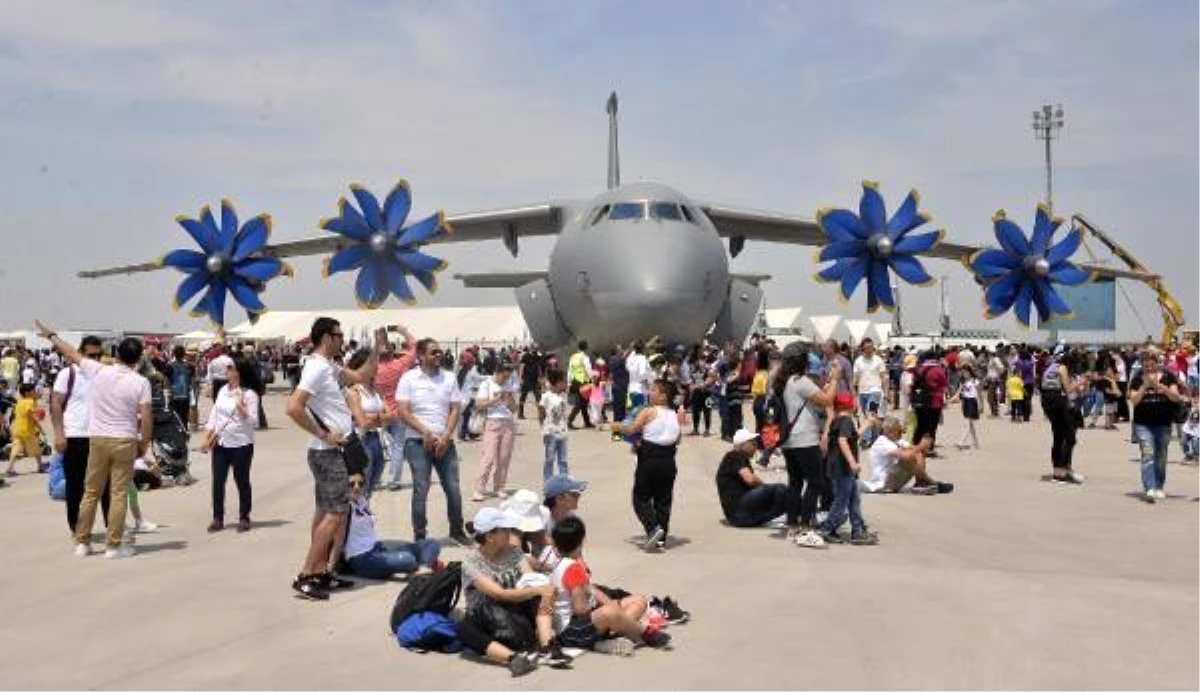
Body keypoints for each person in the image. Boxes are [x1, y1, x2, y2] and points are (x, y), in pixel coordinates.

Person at [285, 317, 385, 600]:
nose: (342, 339)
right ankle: (306, 574)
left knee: (324, 513)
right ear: (326, 337)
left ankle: (320, 573)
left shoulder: (329, 366)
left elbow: (362, 377)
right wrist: (324, 433)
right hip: (328, 452)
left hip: (329, 452)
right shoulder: (316, 368)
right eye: (339, 334)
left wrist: (376, 350)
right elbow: (293, 407)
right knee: (335, 515)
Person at [37, 321, 152, 560]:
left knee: (90, 491)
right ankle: (113, 546)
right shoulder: (141, 382)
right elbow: (147, 417)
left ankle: (82, 542)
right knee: (118, 493)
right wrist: (144, 444)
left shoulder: (99, 371)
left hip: (98, 439)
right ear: (138, 359)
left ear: (116, 354)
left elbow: (69, 352)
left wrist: (51, 335)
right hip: (124, 440)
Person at [455, 507, 569, 677]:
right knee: (464, 629)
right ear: (489, 536)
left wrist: (543, 591)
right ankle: (513, 659)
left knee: (540, 591)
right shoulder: (470, 563)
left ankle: (547, 646)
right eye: (505, 529)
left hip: (516, 612)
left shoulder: (514, 551)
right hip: (486, 618)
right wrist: (537, 589)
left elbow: (530, 579)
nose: (510, 532)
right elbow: (498, 594)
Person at [550, 516, 672, 653]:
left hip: (580, 624)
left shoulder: (560, 564)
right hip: (572, 630)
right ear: (580, 542)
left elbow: (592, 590)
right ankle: (645, 632)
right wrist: (603, 608)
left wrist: (610, 604)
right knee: (610, 612)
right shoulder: (572, 568)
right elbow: (580, 609)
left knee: (638, 600)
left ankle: (611, 635)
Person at [397, 338, 468, 545]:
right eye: (433, 352)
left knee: (453, 487)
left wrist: (446, 435)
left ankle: (457, 530)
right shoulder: (409, 378)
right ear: (420, 356)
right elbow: (403, 411)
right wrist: (425, 431)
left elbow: (455, 408)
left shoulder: (449, 378)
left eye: (439, 352)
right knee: (421, 488)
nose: (439, 355)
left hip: (445, 442)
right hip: (417, 442)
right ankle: (420, 535)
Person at [776, 343, 838, 549]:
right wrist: (836, 378)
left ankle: (793, 525)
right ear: (802, 361)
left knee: (795, 482)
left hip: (788, 440)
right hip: (805, 438)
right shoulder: (800, 381)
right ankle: (805, 526)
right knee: (815, 482)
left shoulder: (782, 381)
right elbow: (827, 400)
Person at [50, 335, 111, 533]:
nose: (95, 358)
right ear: (81, 353)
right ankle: (77, 526)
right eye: (91, 354)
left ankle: (112, 526)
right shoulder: (68, 374)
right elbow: (56, 404)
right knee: (75, 486)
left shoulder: (102, 373)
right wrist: (59, 434)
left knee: (106, 485)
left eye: (98, 354)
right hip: (74, 435)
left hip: (100, 436)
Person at [612, 380, 682, 551]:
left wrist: (616, 426)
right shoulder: (674, 414)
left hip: (649, 459)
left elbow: (632, 429)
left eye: (653, 390)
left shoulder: (648, 411)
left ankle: (653, 528)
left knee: (640, 498)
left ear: (663, 396)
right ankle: (661, 539)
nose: (650, 393)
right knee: (663, 501)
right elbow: (677, 439)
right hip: (668, 461)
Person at [342, 474, 441, 579]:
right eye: (351, 484)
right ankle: (424, 564)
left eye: (360, 484)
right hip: (361, 559)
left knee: (431, 543)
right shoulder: (344, 507)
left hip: (378, 550)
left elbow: (376, 470)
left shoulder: (362, 502)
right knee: (408, 559)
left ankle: (424, 567)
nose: (356, 487)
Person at [200, 358, 259, 532]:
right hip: (221, 443)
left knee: (241, 480)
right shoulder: (222, 391)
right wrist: (206, 437)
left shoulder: (250, 394)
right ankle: (217, 518)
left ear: (238, 372)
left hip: (242, 444)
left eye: (230, 368)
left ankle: (244, 516)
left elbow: (254, 422)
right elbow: (214, 416)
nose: (226, 370)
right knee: (218, 481)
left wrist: (241, 407)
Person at [816, 393, 877, 545]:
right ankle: (827, 528)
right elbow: (843, 440)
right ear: (849, 405)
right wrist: (852, 462)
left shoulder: (836, 421)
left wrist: (868, 423)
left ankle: (858, 529)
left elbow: (853, 437)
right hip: (842, 468)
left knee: (853, 499)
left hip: (838, 467)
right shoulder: (846, 420)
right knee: (842, 500)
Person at [1129, 347, 1183, 503]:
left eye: (1152, 365)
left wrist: (1161, 387)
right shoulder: (1137, 379)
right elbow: (1134, 400)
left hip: (1163, 424)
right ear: (1142, 366)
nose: (1149, 368)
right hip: (1143, 424)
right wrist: (1145, 386)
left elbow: (1176, 397)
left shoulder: (1167, 377)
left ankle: (1159, 486)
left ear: (1157, 364)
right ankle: (1150, 488)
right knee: (1147, 455)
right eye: (1146, 366)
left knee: (1161, 457)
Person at [715, 429, 787, 528]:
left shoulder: (738, 458)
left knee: (783, 502)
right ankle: (803, 512)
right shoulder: (735, 455)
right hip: (739, 511)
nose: (756, 447)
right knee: (779, 489)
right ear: (742, 445)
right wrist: (767, 489)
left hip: (741, 518)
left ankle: (801, 513)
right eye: (753, 444)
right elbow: (750, 479)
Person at [863, 417, 952, 495]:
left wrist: (925, 446)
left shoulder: (897, 440)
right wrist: (921, 446)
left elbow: (915, 450)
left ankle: (921, 482)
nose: (901, 433)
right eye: (899, 431)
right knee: (911, 456)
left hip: (893, 478)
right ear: (889, 432)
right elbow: (906, 456)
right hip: (883, 482)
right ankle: (930, 482)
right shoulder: (882, 442)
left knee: (917, 453)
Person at [375, 327, 415, 492]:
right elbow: (414, 346)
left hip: (379, 411)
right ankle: (394, 481)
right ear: (393, 352)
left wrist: (378, 341)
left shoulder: (374, 368)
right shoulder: (399, 365)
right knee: (398, 447)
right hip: (398, 411)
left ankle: (375, 479)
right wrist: (402, 330)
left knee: (376, 446)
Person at [345, 349, 390, 496]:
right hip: (360, 441)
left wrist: (372, 418)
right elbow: (362, 423)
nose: (377, 369)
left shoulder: (376, 391)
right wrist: (379, 418)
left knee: (371, 485)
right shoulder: (353, 391)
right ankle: (356, 517)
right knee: (361, 487)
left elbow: (391, 416)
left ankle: (362, 516)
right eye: (373, 366)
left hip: (376, 439)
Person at [473, 361, 519, 502]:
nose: (505, 380)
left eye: (508, 377)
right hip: (492, 422)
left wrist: (509, 398)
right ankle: (479, 488)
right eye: (504, 377)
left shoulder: (508, 385)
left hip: (508, 423)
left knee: (504, 458)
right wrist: (495, 400)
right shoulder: (486, 384)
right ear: (497, 373)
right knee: (489, 457)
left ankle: (499, 487)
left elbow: (514, 409)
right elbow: (479, 405)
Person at [1040, 356, 1084, 485]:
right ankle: (1062, 471)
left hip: (1047, 401)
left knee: (1058, 437)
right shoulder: (1062, 367)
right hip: (1057, 401)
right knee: (1070, 438)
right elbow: (1068, 389)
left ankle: (1057, 473)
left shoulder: (1050, 368)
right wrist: (1080, 382)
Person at [910, 351, 948, 453]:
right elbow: (944, 385)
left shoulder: (919, 369)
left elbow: (913, 383)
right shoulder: (938, 370)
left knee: (921, 424)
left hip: (919, 400)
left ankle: (916, 444)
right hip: (935, 402)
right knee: (932, 426)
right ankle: (929, 448)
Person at [4, 383, 44, 476]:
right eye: (33, 391)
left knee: (15, 449)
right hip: (28, 430)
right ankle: (40, 467)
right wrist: (40, 427)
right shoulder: (30, 401)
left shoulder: (19, 402)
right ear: (27, 393)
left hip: (18, 429)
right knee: (37, 449)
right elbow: (31, 414)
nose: (35, 392)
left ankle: (9, 468)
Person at [538, 369, 569, 481]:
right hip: (550, 433)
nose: (566, 384)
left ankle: (564, 481)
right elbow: (541, 412)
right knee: (549, 459)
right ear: (558, 383)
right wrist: (543, 427)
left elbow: (564, 413)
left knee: (563, 459)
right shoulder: (546, 396)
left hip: (562, 432)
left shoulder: (563, 396)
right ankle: (548, 481)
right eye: (564, 382)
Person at [853, 337, 888, 419]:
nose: (870, 350)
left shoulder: (878, 360)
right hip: (862, 391)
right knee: (866, 415)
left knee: (871, 413)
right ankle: (875, 431)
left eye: (871, 347)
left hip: (875, 390)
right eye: (867, 348)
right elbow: (855, 378)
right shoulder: (858, 361)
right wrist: (854, 393)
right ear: (863, 348)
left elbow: (884, 377)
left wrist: (886, 392)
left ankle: (868, 432)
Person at [566, 341, 594, 430]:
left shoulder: (573, 357)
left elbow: (570, 370)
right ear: (586, 348)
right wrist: (592, 379)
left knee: (583, 403)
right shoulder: (585, 357)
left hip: (575, 381)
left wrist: (569, 382)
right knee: (580, 403)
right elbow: (588, 368)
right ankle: (569, 420)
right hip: (583, 381)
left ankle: (587, 422)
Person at [951, 367, 981, 450]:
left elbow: (979, 394)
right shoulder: (963, 382)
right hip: (965, 402)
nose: (964, 374)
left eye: (966, 372)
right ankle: (976, 443)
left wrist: (981, 405)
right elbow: (957, 393)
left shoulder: (975, 381)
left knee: (967, 423)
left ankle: (961, 442)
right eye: (963, 373)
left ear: (970, 372)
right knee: (970, 425)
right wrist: (949, 401)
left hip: (972, 402)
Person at [166, 346, 194, 428]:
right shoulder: (189, 366)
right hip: (185, 394)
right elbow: (192, 381)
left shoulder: (169, 366)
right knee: (184, 414)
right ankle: (184, 429)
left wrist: (168, 391)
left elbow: (166, 380)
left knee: (174, 414)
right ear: (184, 354)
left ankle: (176, 429)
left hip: (174, 394)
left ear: (174, 354)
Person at [517, 347, 544, 420]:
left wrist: (540, 377)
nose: (534, 350)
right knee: (523, 396)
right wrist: (520, 378)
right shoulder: (525, 356)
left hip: (535, 380)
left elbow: (539, 367)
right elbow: (522, 367)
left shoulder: (537, 357)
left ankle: (541, 414)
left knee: (538, 397)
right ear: (530, 349)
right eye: (533, 349)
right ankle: (520, 413)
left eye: (536, 349)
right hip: (526, 379)